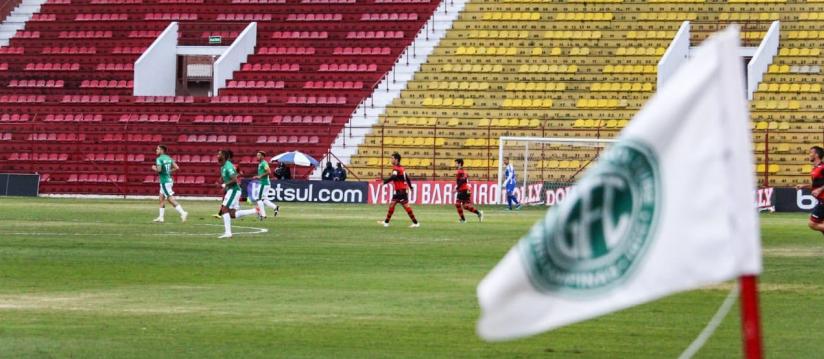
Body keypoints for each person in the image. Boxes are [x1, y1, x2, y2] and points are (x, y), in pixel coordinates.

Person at [217, 149, 259, 239]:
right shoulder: (222, 167)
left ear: (224, 156)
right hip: (231, 190)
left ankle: (228, 233)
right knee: (232, 214)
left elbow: (234, 180)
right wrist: (221, 182)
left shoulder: (228, 166)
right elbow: (225, 178)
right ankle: (255, 211)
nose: (217, 156)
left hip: (234, 190)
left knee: (224, 210)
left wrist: (225, 184)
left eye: (219, 154)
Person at [378, 152, 419, 228]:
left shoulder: (396, 168)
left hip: (401, 192)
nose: (391, 160)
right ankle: (386, 222)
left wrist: (384, 182)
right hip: (400, 191)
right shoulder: (402, 168)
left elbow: (393, 177)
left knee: (406, 207)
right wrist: (411, 187)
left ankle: (416, 223)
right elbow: (407, 178)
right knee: (392, 205)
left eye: (392, 158)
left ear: (396, 160)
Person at [151, 145, 187, 223]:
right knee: (161, 199)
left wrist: (154, 168)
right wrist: (168, 171)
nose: (156, 150)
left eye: (158, 149)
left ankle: (183, 213)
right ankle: (161, 217)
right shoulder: (168, 158)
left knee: (170, 199)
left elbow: (159, 170)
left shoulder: (159, 159)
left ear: (162, 150)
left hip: (164, 181)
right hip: (169, 180)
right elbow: (177, 167)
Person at [795, 146, 824, 234]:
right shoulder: (815, 169)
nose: (809, 154)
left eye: (811, 152)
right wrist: (804, 186)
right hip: (820, 200)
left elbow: (819, 187)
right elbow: (816, 185)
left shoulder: (822, 167)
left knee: (813, 224)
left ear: (816, 155)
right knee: (821, 224)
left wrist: (820, 189)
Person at [252, 151, 280, 220]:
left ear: (262, 156)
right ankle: (275, 207)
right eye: (257, 155)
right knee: (264, 199)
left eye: (259, 155)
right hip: (265, 183)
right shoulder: (261, 163)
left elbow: (269, 171)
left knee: (258, 199)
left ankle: (263, 215)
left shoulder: (264, 163)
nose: (257, 157)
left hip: (264, 183)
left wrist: (259, 176)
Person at [454, 158, 483, 223]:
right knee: (465, 206)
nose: (455, 164)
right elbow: (465, 178)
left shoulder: (460, 171)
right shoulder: (462, 171)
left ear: (459, 163)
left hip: (463, 190)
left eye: (456, 163)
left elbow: (462, 180)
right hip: (467, 190)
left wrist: (456, 188)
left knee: (458, 204)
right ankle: (478, 213)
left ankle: (463, 220)